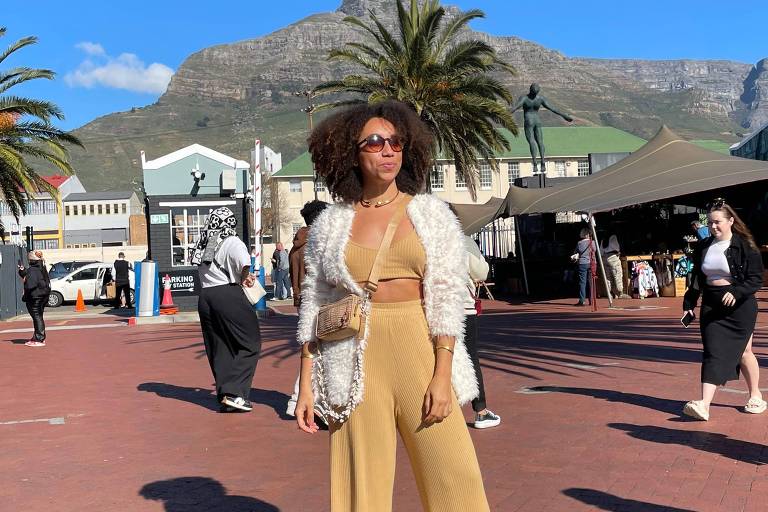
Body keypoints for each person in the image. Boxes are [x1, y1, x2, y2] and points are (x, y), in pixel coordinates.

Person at [294, 100, 489, 512]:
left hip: (419, 349)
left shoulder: (430, 215)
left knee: (455, 475)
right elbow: (317, 303)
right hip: (353, 356)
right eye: (376, 142)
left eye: (396, 142)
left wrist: (442, 373)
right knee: (359, 485)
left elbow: (447, 297)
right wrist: (305, 383)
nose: (388, 151)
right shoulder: (331, 223)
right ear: (351, 153)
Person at [682, 199, 765, 421]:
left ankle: (755, 395)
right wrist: (689, 304)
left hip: (740, 305)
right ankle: (704, 405)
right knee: (712, 351)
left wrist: (737, 292)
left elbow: (756, 279)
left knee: (745, 352)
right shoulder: (703, 246)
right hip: (712, 304)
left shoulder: (746, 246)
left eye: (717, 222)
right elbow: (697, 280)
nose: (713, 227)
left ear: (730, 221)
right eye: (710, 223)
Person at [192, 207, 262, 413]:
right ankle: (235, 393)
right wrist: (246, 276)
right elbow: (244, 262)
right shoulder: (231, 240)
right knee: (251, 343)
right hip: (228, 294)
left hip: (205, 297)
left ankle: (225, 394)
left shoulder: (206, 242)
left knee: (219, 347)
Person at [286, 200, 329, 420]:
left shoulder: (296, 246)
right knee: (317, 351)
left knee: (310, 349)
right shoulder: (318, 242)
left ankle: (299, 398)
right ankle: (302, 400)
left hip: (303, 300)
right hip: (320, 299)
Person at [463, 235, 501, 429]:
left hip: (433, 309)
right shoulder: (464, 240)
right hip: (461, 307)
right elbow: (481, 273)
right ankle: (481, 411)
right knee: (470, 358)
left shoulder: (422, 237)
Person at [18, 250, 51, 347]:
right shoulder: (42, 268)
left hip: (35, 297)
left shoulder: (33, 270)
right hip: (43, 295)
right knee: (38, 316)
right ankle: (37, 336)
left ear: (31, 260)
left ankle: (39, 338)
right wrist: (23, 272)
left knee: (37, 317)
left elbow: (30, 284)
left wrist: (25, 294)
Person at [572, 227, 595, 306]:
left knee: (582, 282)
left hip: (582, 263)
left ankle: (582, 300)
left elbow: (576, 252)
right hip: (591, 263)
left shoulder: (579, 243)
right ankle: (591, 300)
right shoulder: (593, 242)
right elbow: (595, 251)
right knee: (591, 282)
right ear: (589, 234)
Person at [601, 233, 627, 299]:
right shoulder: (613, 236)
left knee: (608, 277)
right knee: (617, 275)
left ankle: (609, 293)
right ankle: (620, 293)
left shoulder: (603, 240)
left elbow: (601, 252)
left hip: (605, 258)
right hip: (613, 257)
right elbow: (616, 248)